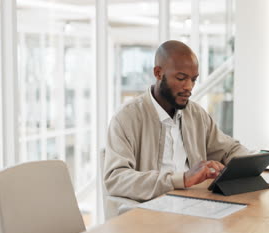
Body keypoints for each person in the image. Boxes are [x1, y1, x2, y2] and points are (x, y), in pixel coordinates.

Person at [103, 40, 249, 215]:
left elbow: (229, 149)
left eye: (193, 80)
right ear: (158, 73)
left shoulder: (196, 114)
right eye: (181, 78)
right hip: (149, 212)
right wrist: (181, 179)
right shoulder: (127, 117)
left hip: (194, 207)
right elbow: (116, 179)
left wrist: (254, 164)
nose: (189, 87)